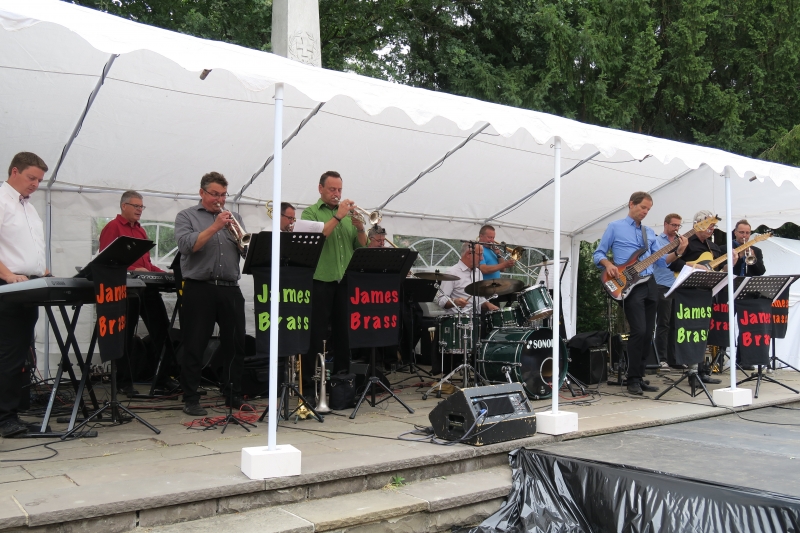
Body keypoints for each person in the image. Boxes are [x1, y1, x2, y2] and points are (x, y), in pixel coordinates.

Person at [594, 192, 683, 395]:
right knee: (639, 330)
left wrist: (678, 252)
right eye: (643, 207)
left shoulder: (648, 232)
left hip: (650, 282)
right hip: (629, 284)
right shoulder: (615, 227)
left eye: (648, 209)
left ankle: (639, 376)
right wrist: (608, 264)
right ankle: (632, 378)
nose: (645, 212)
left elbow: (662, 261)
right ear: (631, 204)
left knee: (648, 332)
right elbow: (598, 253)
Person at [174, 172, 248, 416]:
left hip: (230, 287)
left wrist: (243, 242)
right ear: (202, 192)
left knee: (235, 343)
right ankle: (191, 397)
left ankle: (233, 393)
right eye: (215, 194)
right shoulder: (186, 216)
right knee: (195, 343)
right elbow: (187, 246)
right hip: (199, 287)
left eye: (224, 195)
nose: (220, 200)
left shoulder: (234, 217)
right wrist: (216, 226)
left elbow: (246, 251)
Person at [98, 191, 172, 395]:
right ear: (124, 206)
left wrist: (164, 273)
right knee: (125, 335)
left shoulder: (141, 231)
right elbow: (107, 262)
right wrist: (132, 270)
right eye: (136, 206)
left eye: (142, 207)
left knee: (162, 331)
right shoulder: (113, 227)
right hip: (126, 290)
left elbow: (146, 265)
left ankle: (163, 378)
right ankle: (124, 382)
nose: (140, 210)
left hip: (147, 288)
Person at [300, 171, 367, 390]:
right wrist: (338, 216)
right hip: (320, 279)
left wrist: (360, 228)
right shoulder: (310, 212)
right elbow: (316, 238)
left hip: (344, 280)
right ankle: (310, 384)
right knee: (316, 334)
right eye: (332, 189)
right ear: (320, 189)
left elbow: (361, 246)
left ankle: (342, 383)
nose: (337, 194)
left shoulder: (348, 216)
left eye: (339, 189)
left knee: (344, 334)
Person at [0, 152, 48, 438]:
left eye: (39, 180)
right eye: (31, 178)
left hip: (28, 285)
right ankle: (5, 417)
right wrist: (7, 274)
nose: (35, 184)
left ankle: (12, 413)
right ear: (14, 171)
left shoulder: (28, 207)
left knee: (20, 355)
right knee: (8, 354)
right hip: (8, 286)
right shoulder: (1, 200)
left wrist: (41, 271)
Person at [668, 210, 732, 384]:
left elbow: (716, 271)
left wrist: (730, 265)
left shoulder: (713, 247)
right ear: (697, 224)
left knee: (702, 331)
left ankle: (702, 371)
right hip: (687, 293)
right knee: (690, 331)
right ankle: (691, 372)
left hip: (705, 292)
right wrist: (693, 266)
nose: (711, 228)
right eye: (709, 225)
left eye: (713, 226)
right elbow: (672, 263)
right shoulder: (685, 241)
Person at [653, 213, 684, 366]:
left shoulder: (681, 241)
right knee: (663, 323)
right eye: (674, 225)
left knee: (676, 324)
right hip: (662, 285)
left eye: (678, 225)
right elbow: (662, 261)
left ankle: (674, 358)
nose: (676, 228)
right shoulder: (657, 241)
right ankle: (662, 358)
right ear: (665, 224)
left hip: (678, 285)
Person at [437, 242, 499, 314]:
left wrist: (488, 304)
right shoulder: (452, 272)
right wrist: (455, 301)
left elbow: (479, 299)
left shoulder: (478, 272)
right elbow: (441, 300)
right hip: (459, 318)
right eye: (479, 255)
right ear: (468, 254)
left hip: (476, 318)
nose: (481, 258)